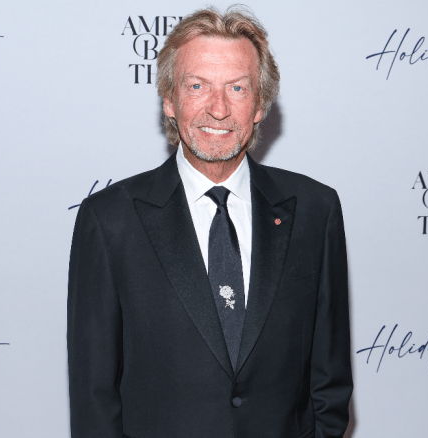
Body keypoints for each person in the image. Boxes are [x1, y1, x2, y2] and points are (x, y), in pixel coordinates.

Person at [68, 6, 352, 438]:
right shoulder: (109, 221)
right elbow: (94, 398)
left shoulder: (316, 210)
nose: (218, 108)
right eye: (197, 85)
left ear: (259, 105)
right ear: (169, 99)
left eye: (237, 88)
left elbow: (329, 384)